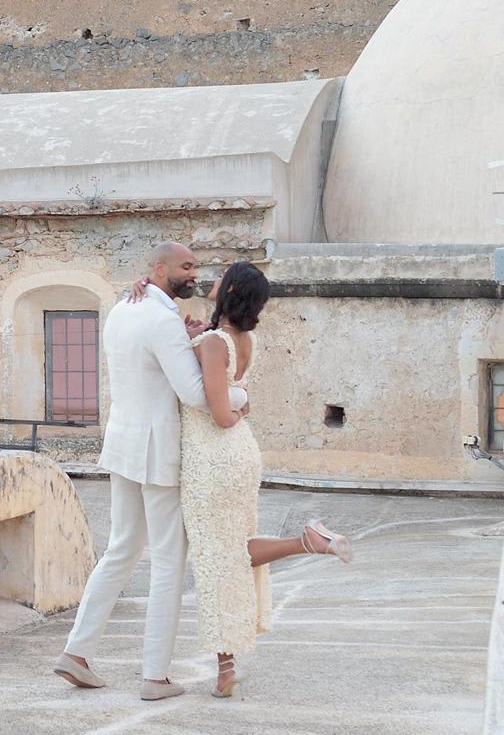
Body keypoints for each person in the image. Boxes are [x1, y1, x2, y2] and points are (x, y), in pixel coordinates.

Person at [175, 260, 352, 698]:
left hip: (214, 458)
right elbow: (238, 396)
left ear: (231, 289)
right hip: (240, 454)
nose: (214, 280)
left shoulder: (214, 342)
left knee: (218, 561)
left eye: (222, 277)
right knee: (230, 556)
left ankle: (307, 541)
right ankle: (226, 668)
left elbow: (221, 414)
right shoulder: (242, 339)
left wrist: (234, 407)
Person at [53, 241, 220, 701]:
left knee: (121, 549)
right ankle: (154, 676)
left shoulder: (122, 308)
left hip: (123, 443)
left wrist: (185, 337)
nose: (194, 273)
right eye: (186, 266)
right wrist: (239, 397)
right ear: (160, 269)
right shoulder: (161, 319)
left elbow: (149, 368)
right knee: (168, 560)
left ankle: (77, 652)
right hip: (156, 450)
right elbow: (194, 393)